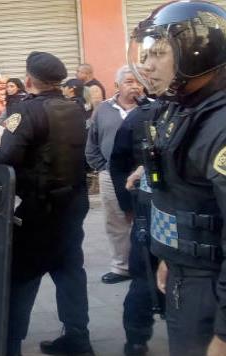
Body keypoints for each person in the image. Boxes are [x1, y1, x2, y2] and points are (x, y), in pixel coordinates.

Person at [0, 52, 92, 356]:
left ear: (28, 79)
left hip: (40, 209)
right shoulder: (75, 108)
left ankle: (9, 344)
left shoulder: (24, 112)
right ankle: (78, 338)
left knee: (21, 276)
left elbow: (6, 155)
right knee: (69, 271)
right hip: (73, 203)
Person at [127, 2, 226, 355]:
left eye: (159, 53)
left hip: (211, 289)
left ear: (198, 53)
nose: (146, 64)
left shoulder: (219, 124)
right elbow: (184, 196)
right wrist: (172, 254)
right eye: (145, 53)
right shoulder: (182, 107)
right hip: (186, 273)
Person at [109, 96, 166, 356]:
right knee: (144, 279)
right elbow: (118, 163)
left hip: (154, 212)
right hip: (154, 212)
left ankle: (136, 341)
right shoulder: (145, 114)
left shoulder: (143, 113)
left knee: (144, 278)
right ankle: (136, 340)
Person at [86, 66, 144, 285]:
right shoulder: (103, 109)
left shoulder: (151, 108)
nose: (135, 86)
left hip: (144, 176)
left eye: (138, 81)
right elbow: (92, 141)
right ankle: (122, 267)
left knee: (144, 219)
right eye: (129, 81)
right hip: (111, 175)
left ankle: (146, 265)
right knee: (116, 223)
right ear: (117, 86)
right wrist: (102, 167)